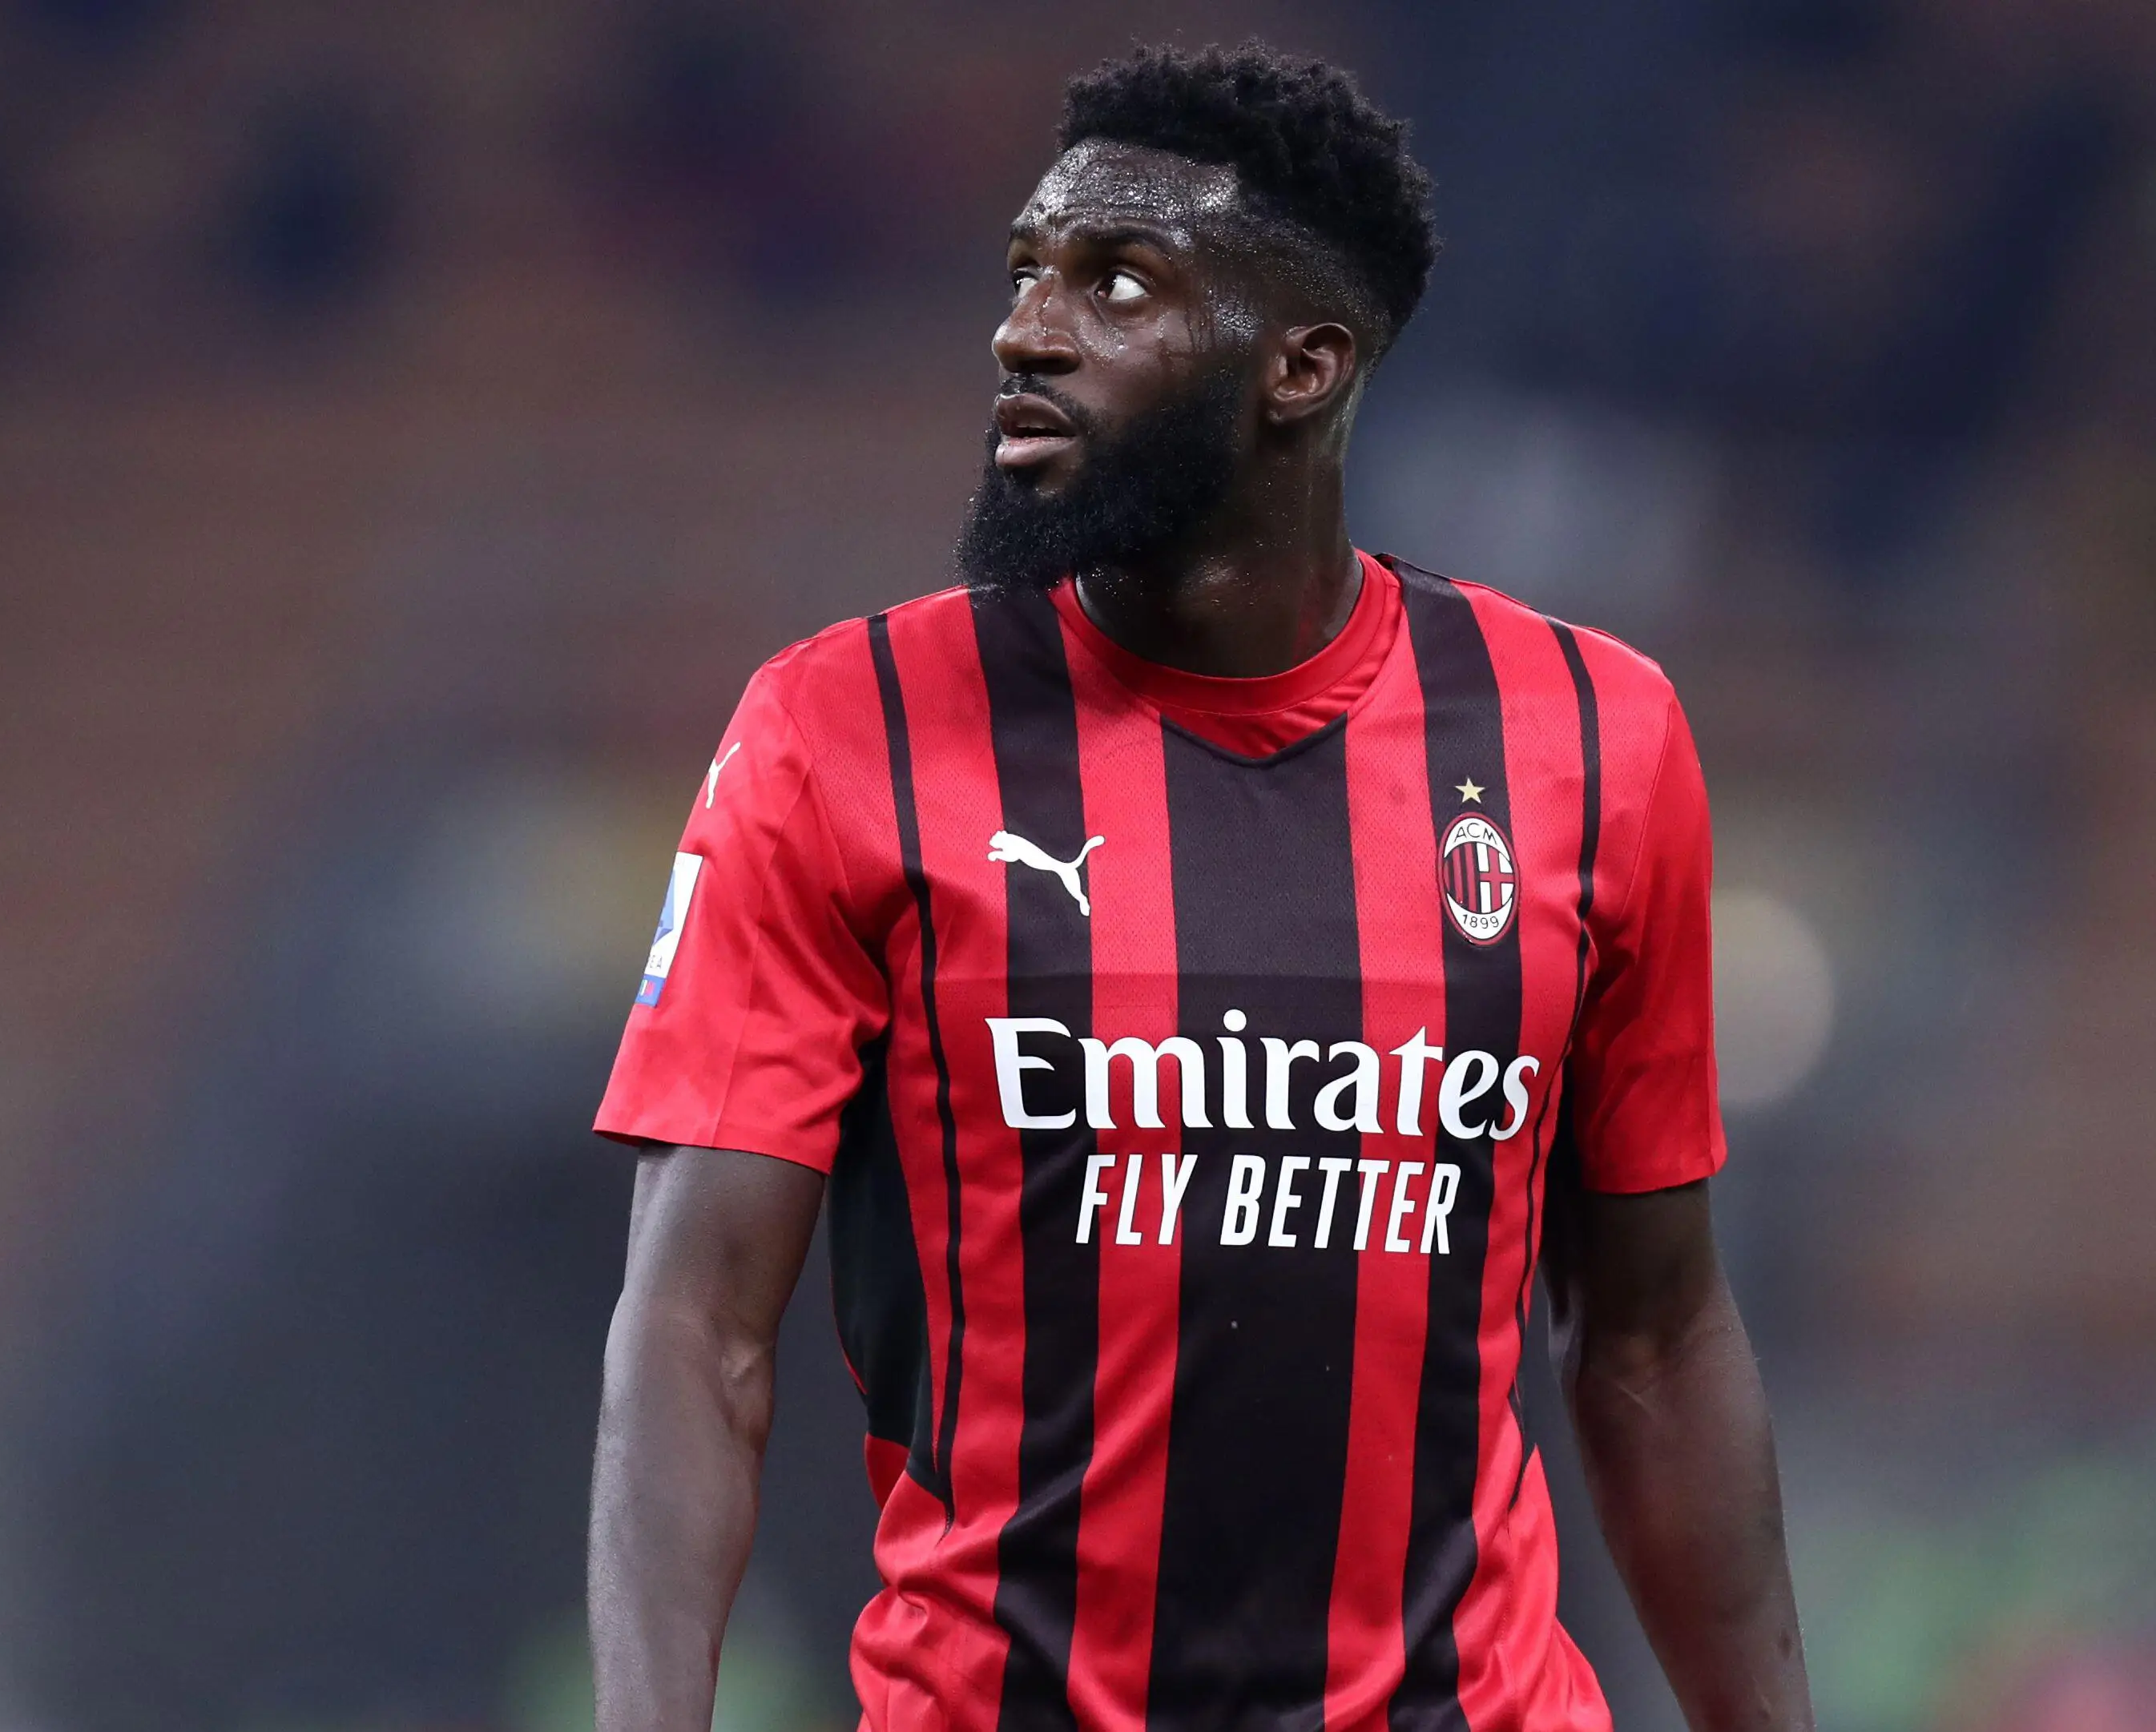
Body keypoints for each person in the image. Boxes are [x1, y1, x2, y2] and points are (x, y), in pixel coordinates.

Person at [587, 42, 1811, 1732]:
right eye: (1024, 271)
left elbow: (1655, 1336)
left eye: (1115, 283)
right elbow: (695, 1329)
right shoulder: (841, 728)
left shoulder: (1593, 737)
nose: (1026, 331)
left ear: (1299, 366)